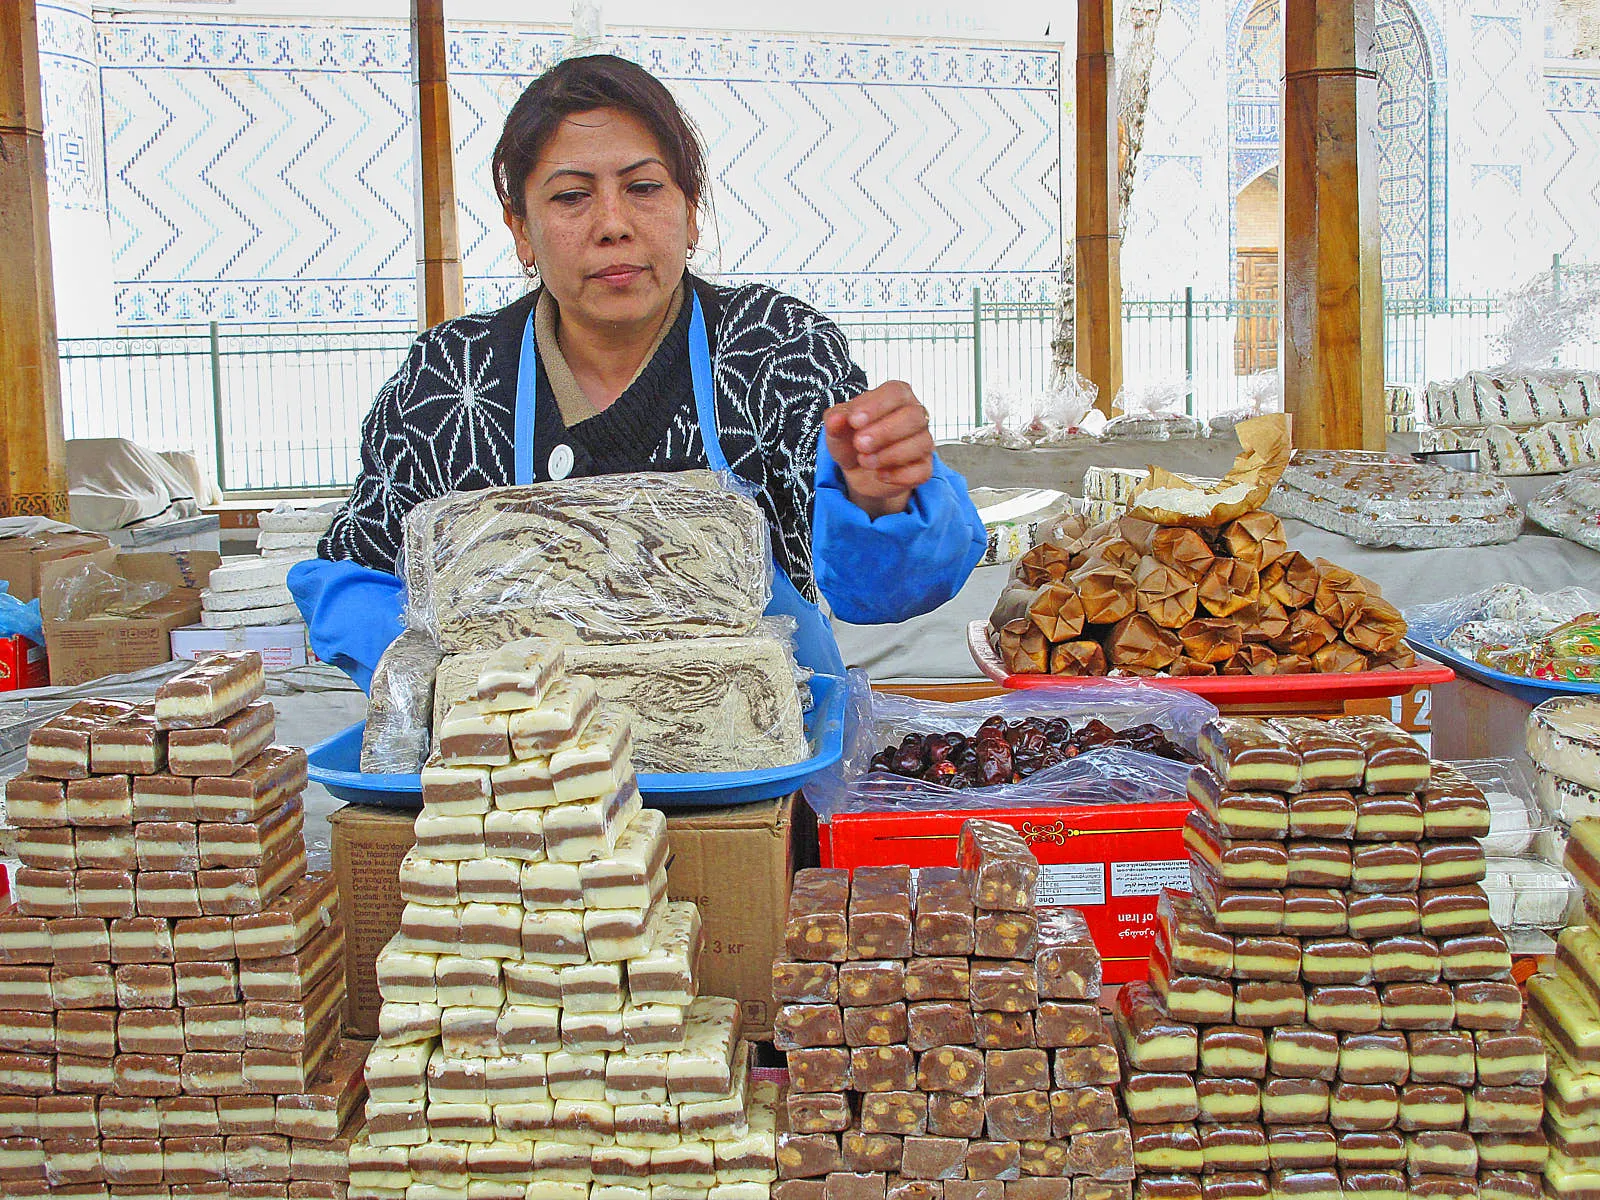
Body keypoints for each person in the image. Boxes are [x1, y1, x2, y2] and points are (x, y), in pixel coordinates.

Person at [290, 53, 986, 689]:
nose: (613, 224)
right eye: (571, 197)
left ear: (690, 211)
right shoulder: (450, 382)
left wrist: (880, 499)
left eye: (644, 187)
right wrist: (459, 687)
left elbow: (883, 593)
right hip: (526, 790)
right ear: (521, 231)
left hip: (759, 781)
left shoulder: (775, 349)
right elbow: (352, 576)